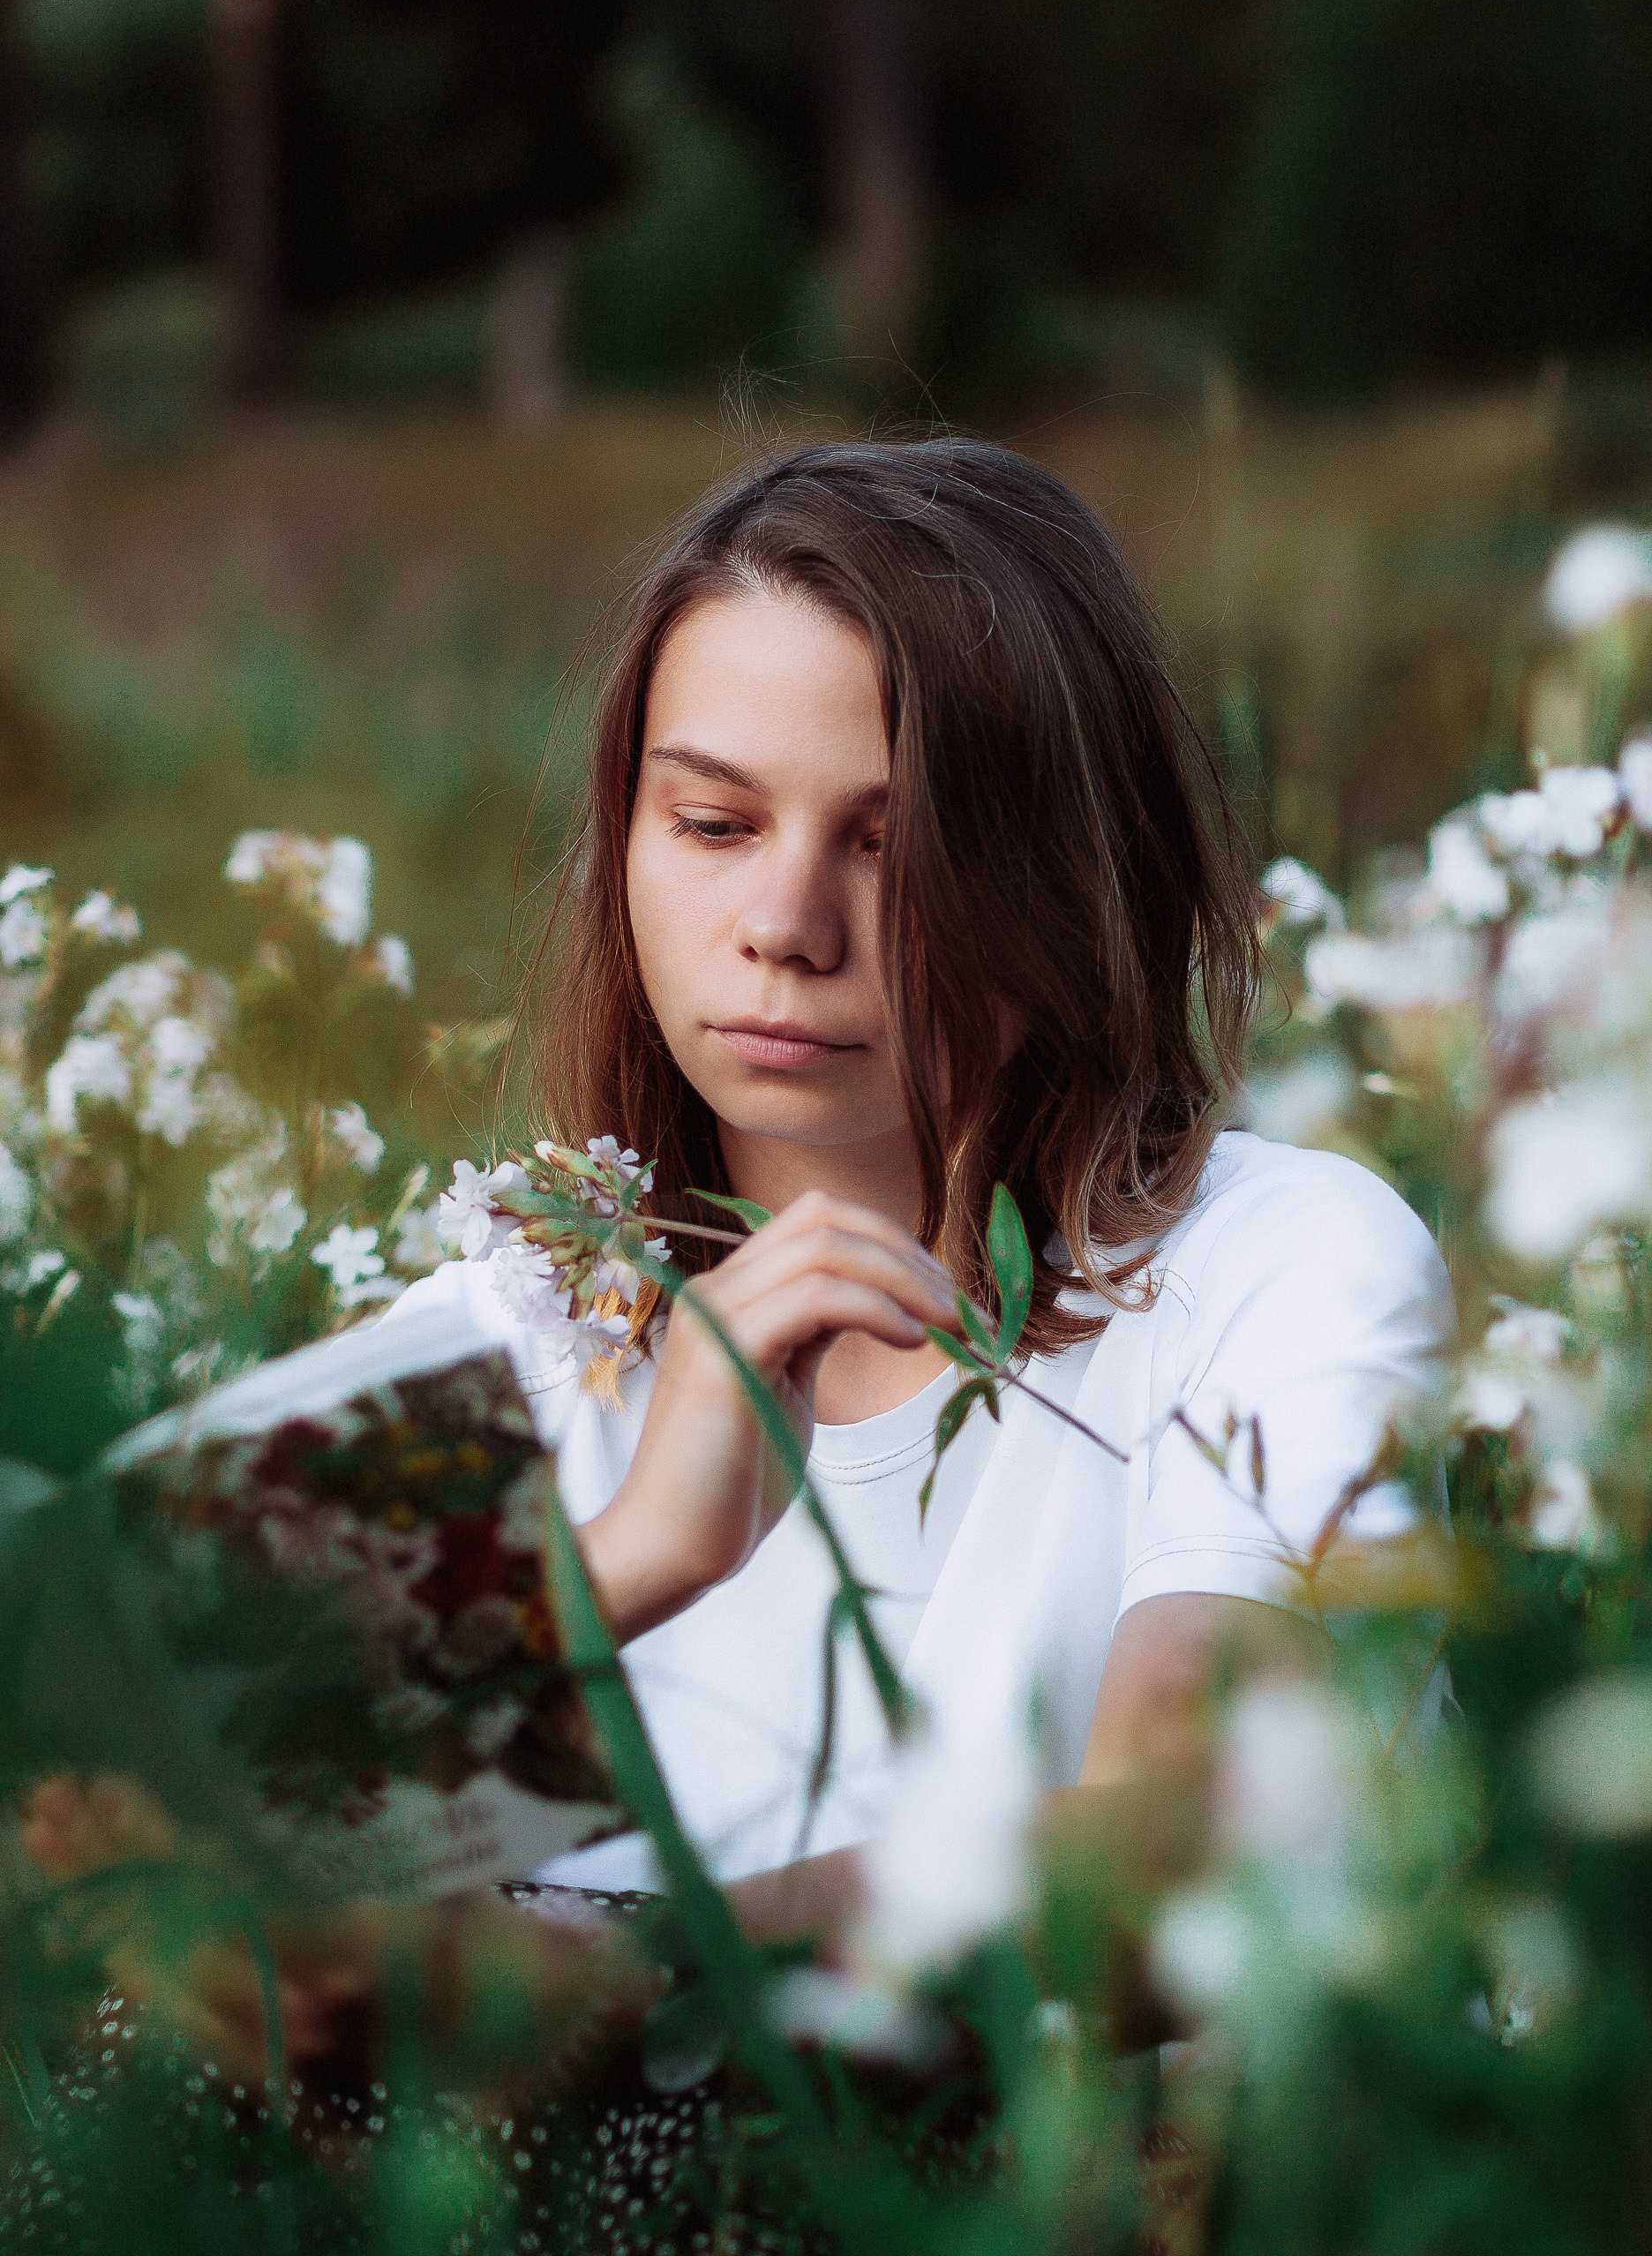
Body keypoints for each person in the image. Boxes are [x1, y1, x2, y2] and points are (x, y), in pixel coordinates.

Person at [382, 433, 1455, 1940]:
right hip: (569, 2162)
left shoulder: (1271, 1265)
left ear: (1077, 875)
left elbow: (1197, 1830)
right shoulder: (513, 1329)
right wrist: (629, 1561)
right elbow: (129, 1843)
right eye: (713, 823)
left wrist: (634, 1985)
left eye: (895, 848)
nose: (787, 924)